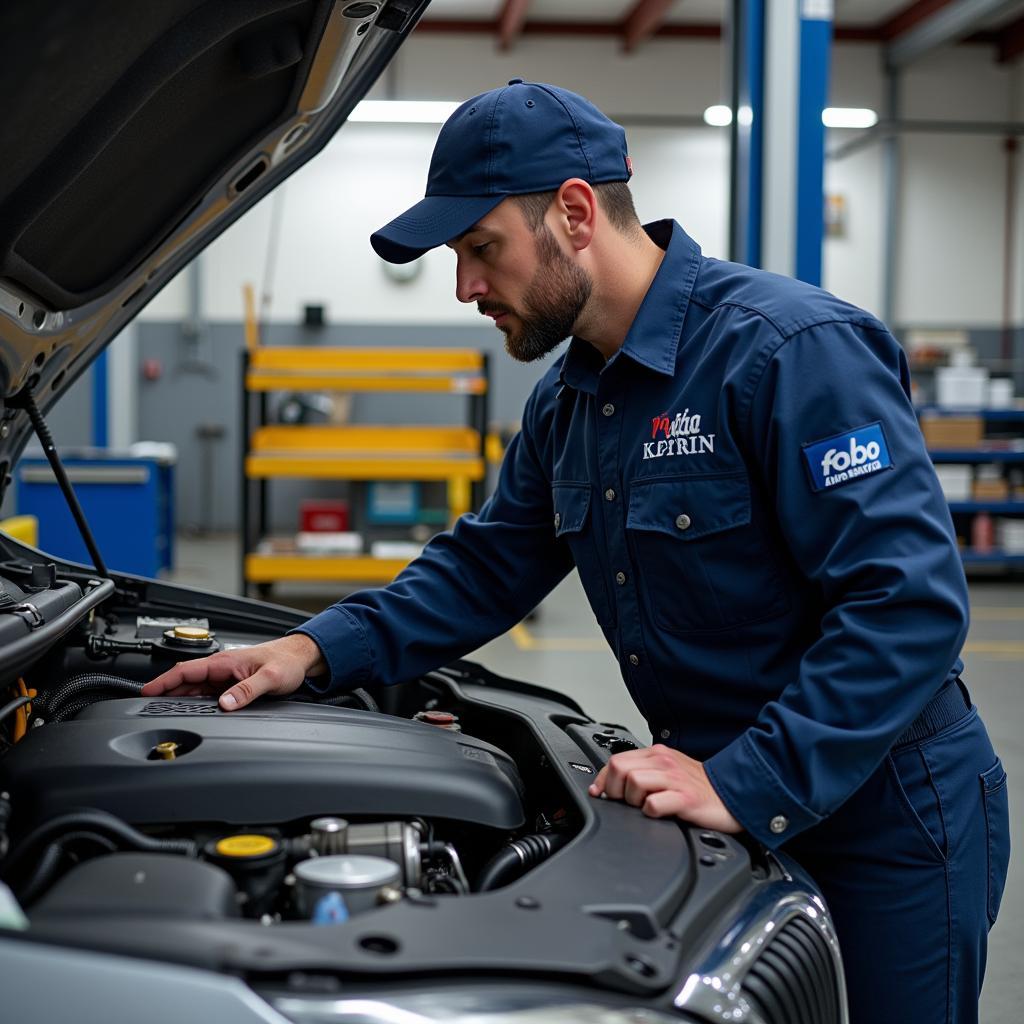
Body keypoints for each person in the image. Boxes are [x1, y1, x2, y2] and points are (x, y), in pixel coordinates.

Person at [143, 80, 1010, 1022]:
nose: (468, 287)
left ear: (574, 211)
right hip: (720, 805)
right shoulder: (572, 403)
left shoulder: (788, 350)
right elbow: (484, 565)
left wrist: (747, 780)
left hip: (885, 817)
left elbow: (907, 604)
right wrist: (308, 650)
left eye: (481, 249)